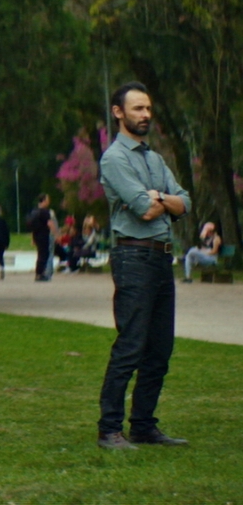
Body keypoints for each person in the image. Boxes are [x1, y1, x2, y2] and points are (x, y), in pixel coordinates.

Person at [96, 82, 191, 450]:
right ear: (118, 112)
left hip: (161, 257)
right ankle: (109, 429)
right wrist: (161, 202)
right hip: (133, 257)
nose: (145, 115)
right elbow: (144, 209)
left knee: (160, 349)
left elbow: (184, 203)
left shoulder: (154, 160)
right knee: (131, 345)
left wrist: (160, 197)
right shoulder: (114, 158)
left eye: (148, 108)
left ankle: (143, 426)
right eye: (138, 108)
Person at [28, 194, 57, 282]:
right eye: (47, 199)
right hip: (44, 235)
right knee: (44, 255)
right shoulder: (45, 212)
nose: (48, 201)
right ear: (43, 201)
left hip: (36, 235)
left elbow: (32, 226)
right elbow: (50, 223)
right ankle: (40, 273)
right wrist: (56, 234)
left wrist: (33, 238)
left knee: (40, 254)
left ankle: (39, 273)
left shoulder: (34, 211)